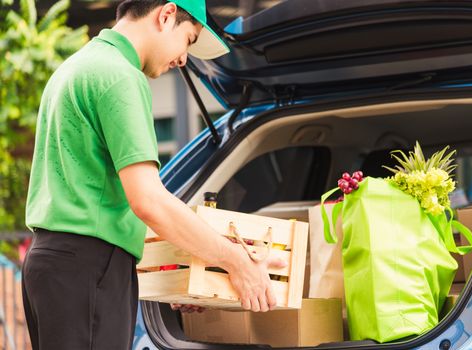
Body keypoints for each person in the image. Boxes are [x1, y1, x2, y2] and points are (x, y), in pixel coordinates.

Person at [22, 1, 284, 349]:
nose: (183, 60)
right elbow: (148, 201)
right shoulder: (120, 76)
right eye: (189, 41)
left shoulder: (77, 68)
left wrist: (182, 274)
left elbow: (104, 201)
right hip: (88, 268)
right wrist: (238, 263)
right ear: (166, 15)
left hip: (53, 266)